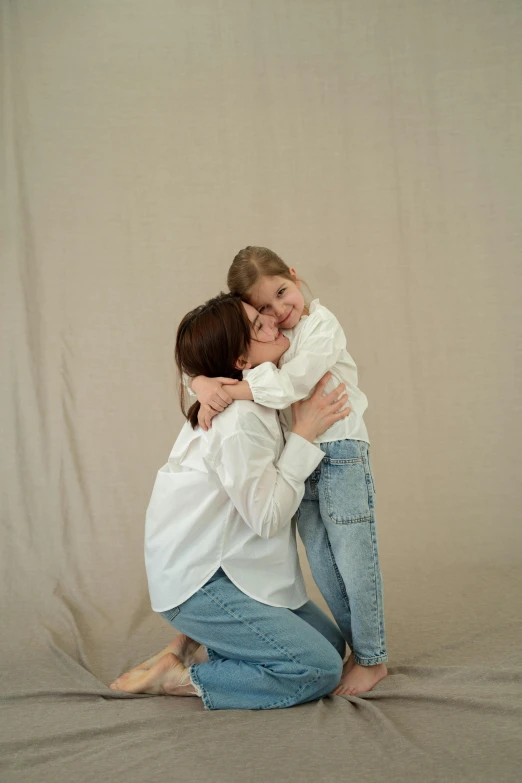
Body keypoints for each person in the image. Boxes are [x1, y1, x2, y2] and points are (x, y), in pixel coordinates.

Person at [110, 292, 351, 710]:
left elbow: (201, 362)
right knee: (317, 670)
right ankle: (180, 677)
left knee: (330, 644)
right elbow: (269, 519)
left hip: (230, 564)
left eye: (264, 315)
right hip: (199, 580)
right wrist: (304, 435)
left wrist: (198, 381)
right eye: (260, 325)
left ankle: (192, 643)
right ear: (239, 361)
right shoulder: (240, 423)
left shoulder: (250, 389)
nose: (275, 321)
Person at [190, 247, 388, 696]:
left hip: (339, 453)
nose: (279, 311)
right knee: (323, 566)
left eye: (282, 293)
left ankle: (374, 658)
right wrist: (201, 382)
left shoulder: (321, 326)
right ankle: (359, 650)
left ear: (294, 276)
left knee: (355, 561)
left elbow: (293, 385)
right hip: (302, 460)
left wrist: (231, 391)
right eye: (263, 308)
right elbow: (216, 352)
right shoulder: (271, 339)